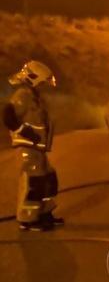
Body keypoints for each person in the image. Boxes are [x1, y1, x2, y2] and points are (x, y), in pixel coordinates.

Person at [2, 60, 64, 231]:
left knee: (49, 178)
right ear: (33, 78)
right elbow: (8, 115)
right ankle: (28, 219)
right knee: (33, 182)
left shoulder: (33, 95)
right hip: (27, 147)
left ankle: (44, 213)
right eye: (43, 81)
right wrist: (23, 130)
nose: (44, 85)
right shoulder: (22, 95)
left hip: (37, 148)